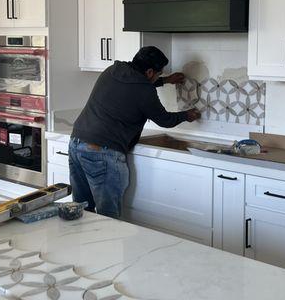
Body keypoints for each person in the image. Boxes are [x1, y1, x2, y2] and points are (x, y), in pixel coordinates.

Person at [69, 46, 201, 218]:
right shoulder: (145, 90)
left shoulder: (113, 70)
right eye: (158, 74)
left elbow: (134, 86)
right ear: (149, 72)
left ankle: (81, 245)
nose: (158, 77)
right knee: (108, 216)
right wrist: (187, 115)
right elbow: (164, 120)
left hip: (76, 143)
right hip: (102, 152)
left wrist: (166, 80)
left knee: (80, 210)